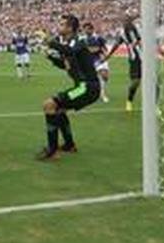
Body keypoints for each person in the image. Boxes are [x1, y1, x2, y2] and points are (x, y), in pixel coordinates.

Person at [37, 13, 100, 161]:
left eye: (62, 24)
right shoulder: (70, 45)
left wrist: (50, 42)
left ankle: (52, 151)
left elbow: (69, 51)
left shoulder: (78, 42)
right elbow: (66, 65)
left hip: (87, 87)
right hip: (84, 87)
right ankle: (69, 145)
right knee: (58, 110)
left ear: (70, 28)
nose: (59, 27)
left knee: (49, 105)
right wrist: (50, 57)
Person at [108, 17, 143, 112]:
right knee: (135, 82)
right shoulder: (123, 34)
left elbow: (147, 39)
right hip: (135, 60)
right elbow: (116, 44)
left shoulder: (140, 29)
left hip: (147, 58)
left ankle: (155, 105)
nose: (126, 23)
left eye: (128, 21)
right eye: (124, 21)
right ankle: (129, 101)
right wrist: (108, 55)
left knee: (155, 82)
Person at [83, 21, 110, 102]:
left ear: (91, 30)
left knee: (105, 76)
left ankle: (102, 93)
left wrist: (105, 56)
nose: (85, 31)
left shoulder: (98, 38)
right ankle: (100, 93)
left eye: (87, 29)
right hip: (90, 61)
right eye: (84, 29)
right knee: (90, 79)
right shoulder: (83, 39)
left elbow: (105, 49)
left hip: (100, 59)